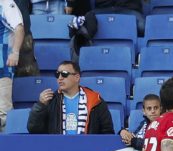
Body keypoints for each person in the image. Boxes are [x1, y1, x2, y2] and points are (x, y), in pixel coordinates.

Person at [27, 60, 114, 134]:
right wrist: (40, 106)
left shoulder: (95, 100)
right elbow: (34, 130)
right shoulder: (50, 100)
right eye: (57, 74)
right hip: (58, 148)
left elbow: (107, 132)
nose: (60, 78)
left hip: (88, 149)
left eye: (64, 74)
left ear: (77, 77)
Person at [0, 0, 23, 132]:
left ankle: (6, 149)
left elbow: (19, 28)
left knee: (3, 113)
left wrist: (15, 52)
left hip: (2, 68)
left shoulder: (6, 3)